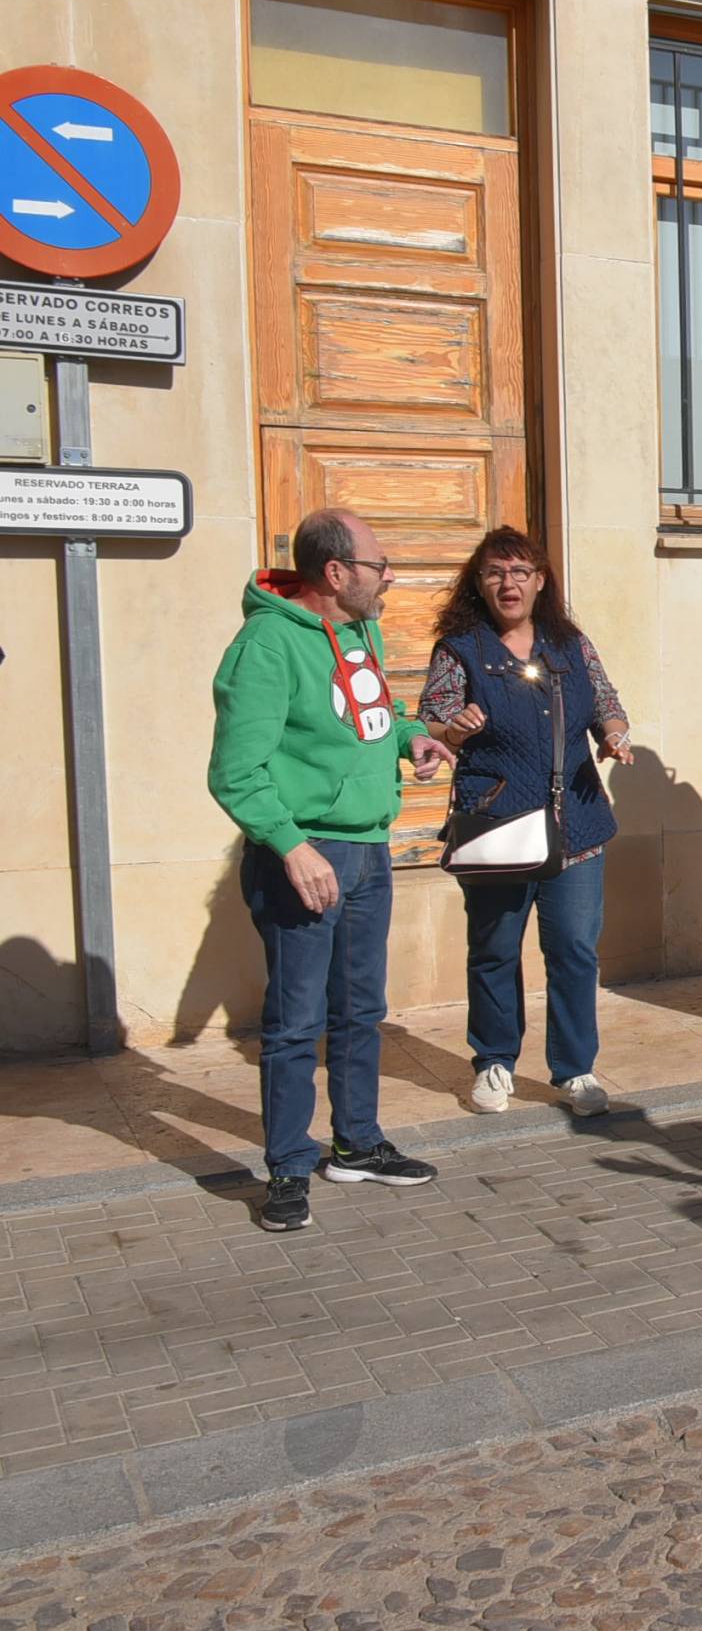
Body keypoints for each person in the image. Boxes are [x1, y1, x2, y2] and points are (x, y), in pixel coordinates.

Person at [209, 509, 452, 1233]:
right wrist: (291, 845)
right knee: (294, 1022)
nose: (391, 577)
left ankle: (357, 1143)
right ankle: (287, 1165)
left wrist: (412, 738)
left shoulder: (360, 629)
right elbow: (235, 772)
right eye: (379, 565)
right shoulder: (266, 645)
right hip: (306, 856)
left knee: (360, 1010)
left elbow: (379, 711)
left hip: (369, 849)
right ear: (337, 573)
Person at [419, 528, 634, 1117]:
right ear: (479, 583)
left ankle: (575, 1070)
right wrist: (454, 729)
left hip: (577, 826)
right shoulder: (460, 648)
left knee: (572, 950)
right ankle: (493, 1061)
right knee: (493, 949)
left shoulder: (570, 644)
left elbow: (606, 704)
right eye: (494, 572)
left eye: (519, 572)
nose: (507, 583)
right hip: (498, 826)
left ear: (541, 581)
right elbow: (433, 722)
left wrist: (614, 737)